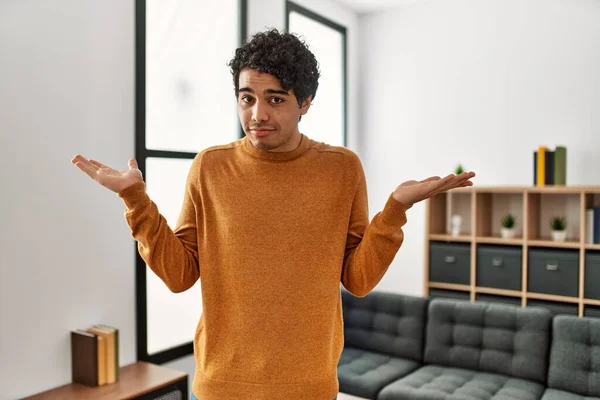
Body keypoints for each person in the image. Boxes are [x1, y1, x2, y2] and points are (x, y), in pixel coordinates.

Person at [71, 28, 474, 400]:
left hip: (309, 387)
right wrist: (136, 200)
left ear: (305, 103)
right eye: (247, 98)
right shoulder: (210, 166)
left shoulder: (341, 168)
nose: (257, 114)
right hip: (221, 385)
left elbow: (359, 279)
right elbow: (179, 276)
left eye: (275, 100)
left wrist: (395, 211)